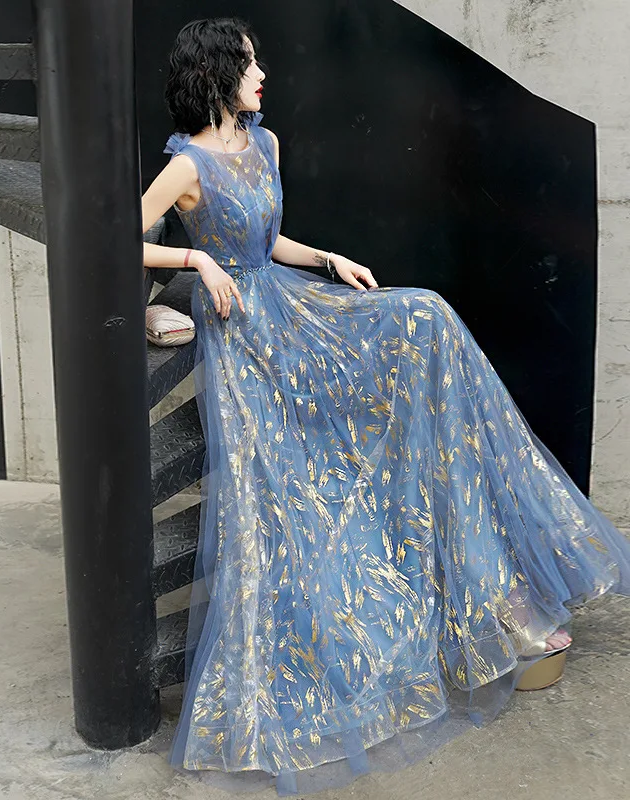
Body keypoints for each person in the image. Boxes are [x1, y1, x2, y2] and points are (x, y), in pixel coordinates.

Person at [141, 17, 630, 796]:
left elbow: (269, 245)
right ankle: (480, 600)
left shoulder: (265, 145)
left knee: (426, 317)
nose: (261, 71)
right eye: (248, 62)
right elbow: (119, 239)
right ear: (214, 74)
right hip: (243, 335)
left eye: (260, 57)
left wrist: (330, 256)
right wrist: (195, 256)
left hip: (292, 305)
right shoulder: (186, 162)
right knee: (294, 493)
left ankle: (493, 584)